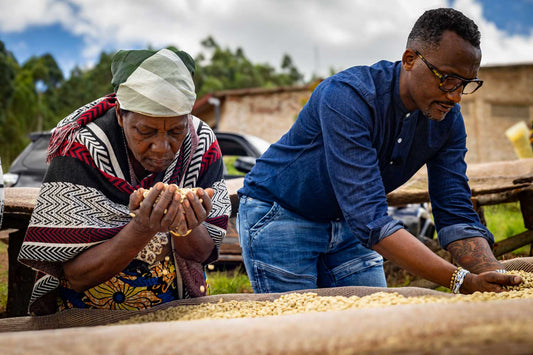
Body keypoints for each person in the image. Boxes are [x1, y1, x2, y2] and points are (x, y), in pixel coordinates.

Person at [237, 8, 522, 295]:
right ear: (410, 59)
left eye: (466, 83)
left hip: (347, 224)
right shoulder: (348, 96)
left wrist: (491, 275)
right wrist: (461, 281)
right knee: (297, 329)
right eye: (447, 78)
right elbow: (369, 218)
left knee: (371, 323)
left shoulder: (448, 119)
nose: (455, 95)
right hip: (281, 214)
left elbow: (455, 211)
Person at [18, 48, 231, 315]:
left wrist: (186, 225)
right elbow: (76, 276)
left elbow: (201, 253)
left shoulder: (201, 143)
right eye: (145, 131)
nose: (162, 147)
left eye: (176, 131)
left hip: (175, 307)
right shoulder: (83, 146)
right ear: (120, 114)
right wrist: (142, 227)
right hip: (88, 315)